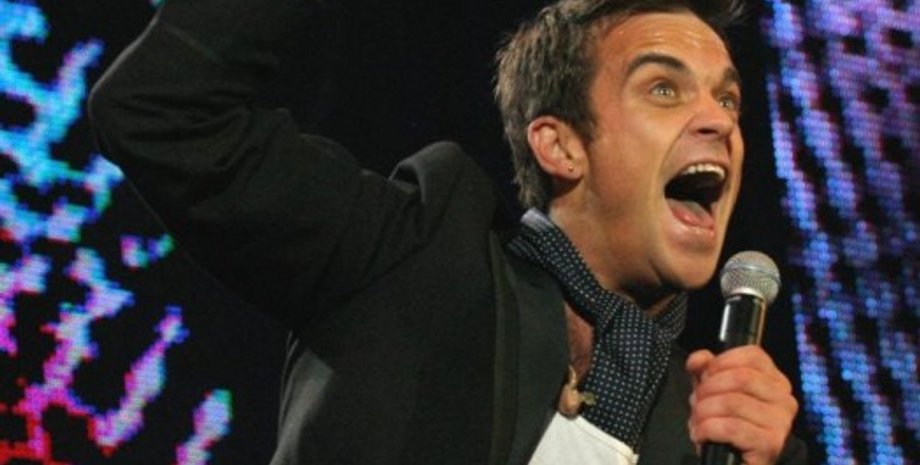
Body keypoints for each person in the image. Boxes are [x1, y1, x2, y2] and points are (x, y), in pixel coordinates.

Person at [89, 0, 807, 463]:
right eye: (664, 88)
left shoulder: (715, 427)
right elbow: (160, 109)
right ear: (561, 146)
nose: (719, 121)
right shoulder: (408, 255)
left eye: (728, 99)